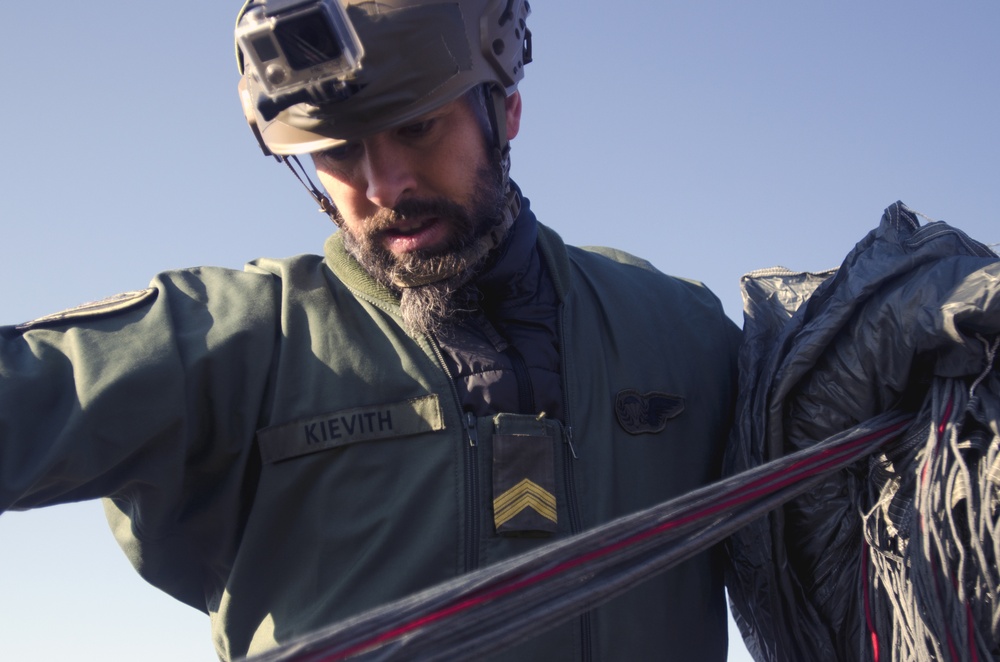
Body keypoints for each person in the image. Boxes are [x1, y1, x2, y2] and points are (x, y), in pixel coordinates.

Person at [0, 1, 739, 659]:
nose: (383, 187)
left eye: (416, 126)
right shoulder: (235, 338)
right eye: (337, 150)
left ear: (506, 108)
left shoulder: (680, 331)